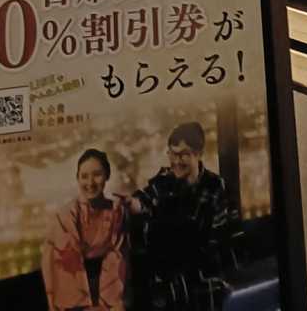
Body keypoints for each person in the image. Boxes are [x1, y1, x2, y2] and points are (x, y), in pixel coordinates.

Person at [136, 121, 232, 305]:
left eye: (183, 155)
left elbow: (216, 239)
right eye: (172, 154)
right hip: (169, 279)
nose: (176, 161)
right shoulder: (164, 180)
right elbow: (142, 200)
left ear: (199, 154)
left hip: (204, 277)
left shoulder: (214, 186)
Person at [41, 148, 129, 311]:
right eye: (84, 176)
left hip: (109, 286)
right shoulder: (66, 216)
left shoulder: (116, 211)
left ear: (107, 175)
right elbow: (65, 266)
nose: (90, 183)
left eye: (97, 175)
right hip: (74, 289)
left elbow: (117, 259)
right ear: (77, 178)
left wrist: (111, 303)